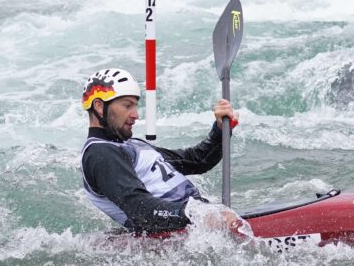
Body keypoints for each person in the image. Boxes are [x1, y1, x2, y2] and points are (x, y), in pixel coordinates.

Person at [80, 68, 241, 234]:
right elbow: (141, 210)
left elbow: (197, 161)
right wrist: (195, 213)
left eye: (135, 106)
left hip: (195, 221)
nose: (136, 115)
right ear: (99, 106)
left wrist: (220, 129)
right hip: (175, 232)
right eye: (127, 106)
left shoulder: (131, 145)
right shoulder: (100, 154)